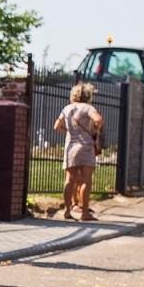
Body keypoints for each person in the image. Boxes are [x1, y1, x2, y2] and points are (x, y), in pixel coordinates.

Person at [54, 82, 102, 221]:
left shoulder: (67, 109)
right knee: (86, 180)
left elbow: (57, 126)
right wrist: (94, 130)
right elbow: (98, 119)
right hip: (86, 146)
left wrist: (69, 131)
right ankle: (84, 212)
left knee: (69, 179)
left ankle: (67, 209)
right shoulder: (88, 108)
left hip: (71, 146)